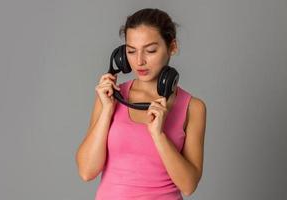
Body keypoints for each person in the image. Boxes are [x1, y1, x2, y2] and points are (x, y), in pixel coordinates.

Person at [75, 8, 207, 199]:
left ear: (172, 47)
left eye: (151, 50)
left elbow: (188, 186)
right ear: (121, 55)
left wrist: (159, 135)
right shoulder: (111, 97)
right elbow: (87, 171)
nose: (139, 61)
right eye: (131, 51)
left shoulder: (193, 107)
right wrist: (107, 111)